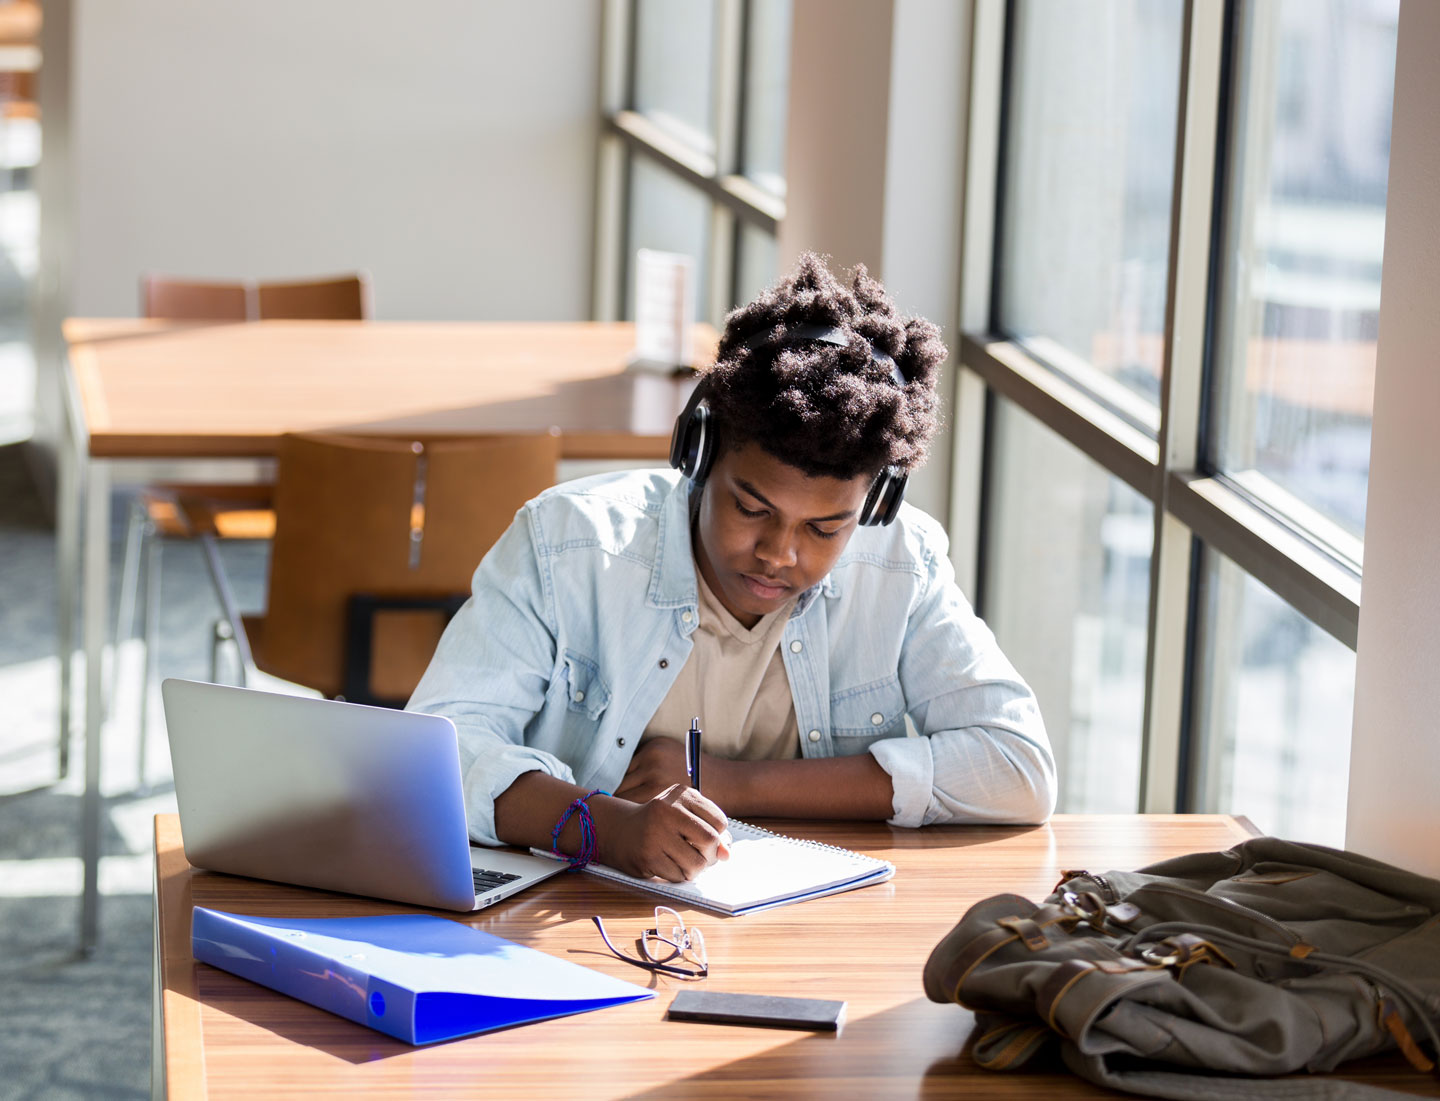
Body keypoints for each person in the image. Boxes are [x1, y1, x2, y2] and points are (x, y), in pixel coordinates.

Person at [408, 253, 1055, 883]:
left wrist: (730, 782)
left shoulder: (899, 566)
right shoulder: (566, 544)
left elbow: (1017, 766)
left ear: (874, 504)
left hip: (802, 928)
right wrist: (604, 828)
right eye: (751, 507)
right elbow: (437, 754)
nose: (779, 552)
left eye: (825, 528)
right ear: (699, 453)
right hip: (583, 921)